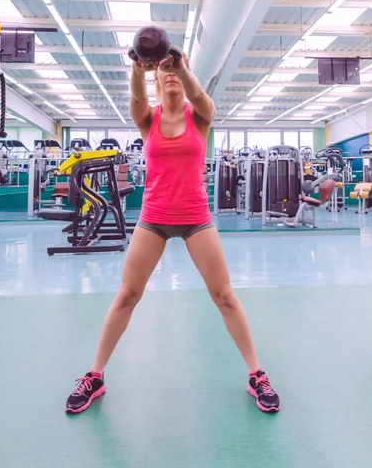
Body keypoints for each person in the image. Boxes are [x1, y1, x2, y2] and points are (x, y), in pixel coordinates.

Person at [66, 52, 280, 415]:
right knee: (126, 295)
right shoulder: (147, 119)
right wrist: (138, 68)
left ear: (185, 75)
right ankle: (95, 376)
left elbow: (200, 96)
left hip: (196, 218)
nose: (170, 78)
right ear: (155, 81)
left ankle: (256, 375)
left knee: (225, 296)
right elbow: (135, 100)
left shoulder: (201, 116)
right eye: (163, 74)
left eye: (176, 73)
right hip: (154, 218)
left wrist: (179, 66)